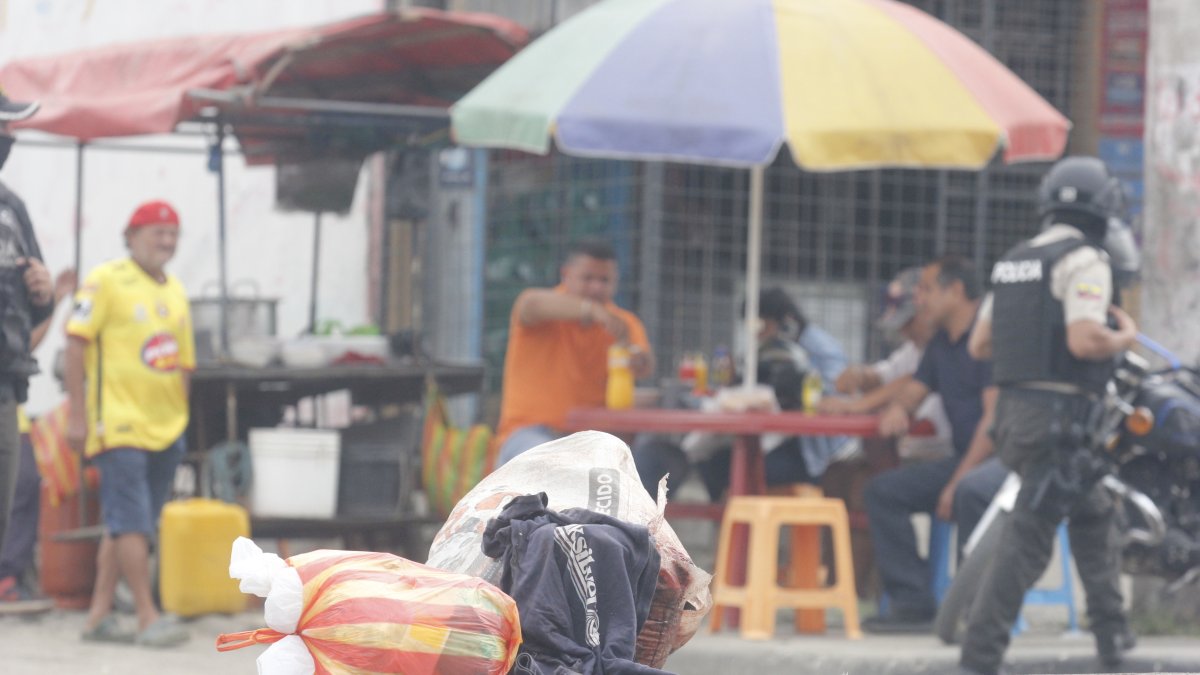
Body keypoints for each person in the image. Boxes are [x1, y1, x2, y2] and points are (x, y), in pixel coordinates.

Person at [958, 157, 1139, 675]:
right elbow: (1085, 340)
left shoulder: (1014, 260)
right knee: (1028, 542)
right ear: (1102, 209)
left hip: (1015, 419)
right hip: (1060, 421)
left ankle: (1113, 639)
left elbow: (979, 344)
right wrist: (1123, 337)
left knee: (1094, 514)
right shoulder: (1085, 260)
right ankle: (979, 657)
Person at [66, 200, 193, 647]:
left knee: (125, 523)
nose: (167, 242)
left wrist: (181, 417)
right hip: (118, 426)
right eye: (158, 233)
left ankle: (98, 616)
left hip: (166, 427)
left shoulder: (176, 290)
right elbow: (75, 345)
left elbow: (184, 364)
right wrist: (77, 415)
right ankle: (145, 615)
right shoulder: (106, 280)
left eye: (173, 234)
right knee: (133, 523)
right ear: (132, 236)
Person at [862, 256, 1007, 633]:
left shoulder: (989, 338)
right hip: (963, 459)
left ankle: (973, 612)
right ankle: (913, 605)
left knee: (969, 491)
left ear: (955, 291)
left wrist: (956, 482)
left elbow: (993, 425)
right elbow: (915, 390)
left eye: (926, 289)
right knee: (882, 491)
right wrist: (899, 408)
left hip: (1002, 463)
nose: (919, 299)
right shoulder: (942, 343)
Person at [634, 287, 851, 500]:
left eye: (759, 323)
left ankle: (737, 517)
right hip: (778, 442)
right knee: (714, 462)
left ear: (781, 321)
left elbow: (829, 394)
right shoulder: (767, 350)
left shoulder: (808, 350)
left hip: (812, 455)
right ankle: (728, 517)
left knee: (733, 466)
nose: (755, 331)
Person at [495, 239, 654, 466]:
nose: (596, 287)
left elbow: (645, 365)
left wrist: (638, 360)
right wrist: (592, 311)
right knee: (554, 463)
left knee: (658, 458)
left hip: (594, 439)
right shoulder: (544, 308)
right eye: (587, 278)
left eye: (604, 280)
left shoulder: (622, 323)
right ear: (566, 275)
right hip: (532, 433)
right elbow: (530, 304)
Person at [819, 267, 953, 461]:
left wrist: (856, 405)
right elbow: (884, 375)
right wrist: (859, 375)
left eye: (908, 321)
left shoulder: (949, 343)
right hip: (919, 452)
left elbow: (914, 379)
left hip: (945, 452)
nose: (903, 331)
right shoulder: (914, 348)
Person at [0, 89, 56, 557]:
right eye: (1, 127)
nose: (9, 137)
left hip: (5, 389)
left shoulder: (11, 208)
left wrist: (44, 290)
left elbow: (38, 305)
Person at [0, 269, 75, 612]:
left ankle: (8, 576)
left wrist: (55, 299)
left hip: (11, 412)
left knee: (25, 484)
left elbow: (20, 343)